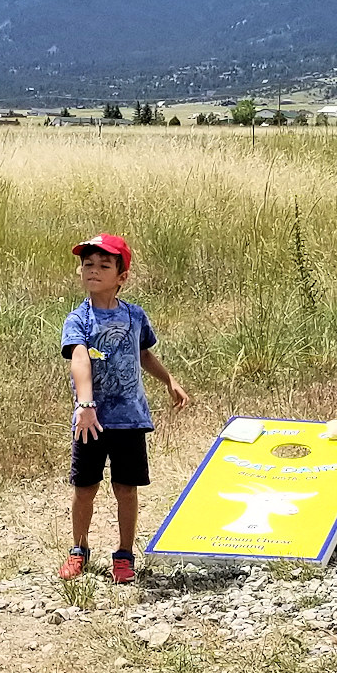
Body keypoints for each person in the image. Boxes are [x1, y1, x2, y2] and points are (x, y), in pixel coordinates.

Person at [59, 234, 188, 583]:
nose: (94, 271)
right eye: (88, 264)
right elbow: (80, 358)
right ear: (80, 271)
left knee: (126, 488)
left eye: (104, 265)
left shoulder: (134, 316)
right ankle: (79, 549)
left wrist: (168, 379)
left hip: (130, 419)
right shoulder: (78, 320)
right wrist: (85, 404)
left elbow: (143, 352)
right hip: (92, 420)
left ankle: (124, 553)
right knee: (85, 487)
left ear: (122, 277)